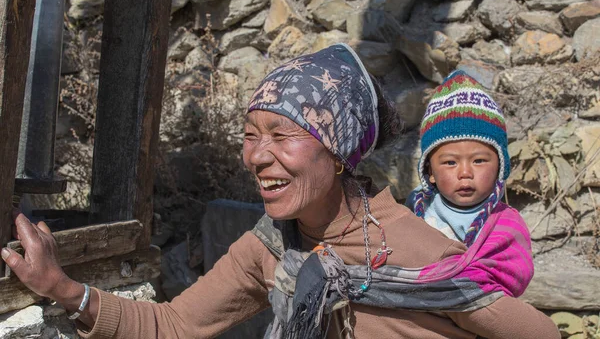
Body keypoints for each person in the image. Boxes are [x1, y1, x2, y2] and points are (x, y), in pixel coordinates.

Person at [2, 44, 559, 339]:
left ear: (338, 152)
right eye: (249, 136)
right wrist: (62, 287)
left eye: (281, 136)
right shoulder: (271, 247)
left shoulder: (422, 254)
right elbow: (172, 325)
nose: (256, 155)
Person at [404, 70, 534, 298]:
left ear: (500, 167)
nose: (465, 173)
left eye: (479, 161)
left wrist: (453, 280)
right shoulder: (416, 209)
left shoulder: (506, 224)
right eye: (450, 162)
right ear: (429, 171)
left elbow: (514, 275)